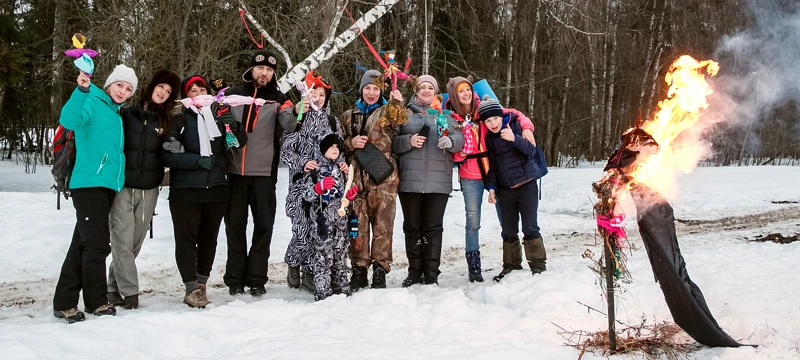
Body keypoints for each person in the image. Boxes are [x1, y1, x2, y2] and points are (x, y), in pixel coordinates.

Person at [53, 65, 138, 323]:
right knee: (97, 245)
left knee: (82, 244)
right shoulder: (92, 101)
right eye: (120, 85)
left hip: (105, 186)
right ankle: (96, 302)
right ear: (110, 84)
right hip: (88, 184)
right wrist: (81, 90)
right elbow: (69, 120)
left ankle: (65, 302)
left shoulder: (115, 113)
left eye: (128, 88)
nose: (123, 91)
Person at [163, 74, 247, 307]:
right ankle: (191, 287)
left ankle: (202, 284)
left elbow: (236, 143)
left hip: (216, 188)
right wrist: (197, 161)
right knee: (187, 240)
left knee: (209, 240)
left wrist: (233, 125)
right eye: (193, 91)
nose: (199, 95)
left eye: (202, 90)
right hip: (186, 190)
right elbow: (168, 154)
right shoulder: (178, 120)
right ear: (185, 96)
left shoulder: (219, 118)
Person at [445, 77, 536, 282]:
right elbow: (452, 147)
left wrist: (527, 127)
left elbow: (515, 114)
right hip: (471, 174)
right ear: (454, 94)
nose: (466, 94)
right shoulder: (450, 117)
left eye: (468, 89)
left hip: (497, 168)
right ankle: (474, 266)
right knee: (473, 220)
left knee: (507, 219)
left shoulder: (485, 110)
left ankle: (514, 262)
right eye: (461, 91)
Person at [223, 50, 296, 297]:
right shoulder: (233, 94)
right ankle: (234, 277)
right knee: (235, 226)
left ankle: (256, 277)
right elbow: (216, 118)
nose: (264, 73)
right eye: (260, 68)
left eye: (269, 70)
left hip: (264, 173)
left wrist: (297, 112)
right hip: (234, 171)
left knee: (263, 226)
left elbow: (288, 122)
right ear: (251, 70)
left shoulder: (279, 98)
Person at [107, 69, 180, 310]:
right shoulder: (126, 114)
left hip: (150, 189)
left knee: (134, 242)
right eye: (161, 86)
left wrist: (174, 147)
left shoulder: (166, 122)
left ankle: (112, 287)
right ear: (151, 87)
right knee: (121, 239)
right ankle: (130, 292)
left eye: (169, 91)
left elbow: (170, 153)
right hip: (123, 186)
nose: (164, 92)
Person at [392, 75, 463, 286]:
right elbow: (392, 143)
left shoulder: (446, 115)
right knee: (412, 226)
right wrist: (408, 141)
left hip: (438, 182)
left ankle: (431, 273)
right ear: (415, 90)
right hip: (410, 181)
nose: (426, 91)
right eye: (422, 87)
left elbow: (460, 139)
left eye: (430, 87)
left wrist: (450, 141)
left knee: (433, 227)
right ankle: (414, 271)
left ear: (435, 92)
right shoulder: (403, 114)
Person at [281, 70, 346, 293]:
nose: (317, 98)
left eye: (321, 94)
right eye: (313, 93)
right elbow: (285, 152)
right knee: (301, 229)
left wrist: (342, 165)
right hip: (301, 185)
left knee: (318, 230)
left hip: (326, 187)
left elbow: (339, 149)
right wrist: (303, 163)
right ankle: (293, 261)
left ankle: (310, 272)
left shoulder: (332, 122)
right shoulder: (298, 118)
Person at [341, 69, 403, 290]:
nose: (371, 92)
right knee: (357, 224)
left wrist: (397, 102)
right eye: (367, 88)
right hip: (356, 178)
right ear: (361, 90)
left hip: (384, 178)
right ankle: (358, 268)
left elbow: (398, 119)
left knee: (383, 224)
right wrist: (351, 142)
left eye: (376, 88)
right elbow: (338, 146)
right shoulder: (348, 115)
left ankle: (380, 268)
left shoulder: (388, 111)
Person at [477, 97, 546, 281]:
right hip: (505, 190)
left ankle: (538, 265)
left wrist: (514, 138)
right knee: (508, 230)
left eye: (495, 119)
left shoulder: (516, 127)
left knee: (530, 227)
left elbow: (531, 151)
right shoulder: (489, 140)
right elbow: (491, 167)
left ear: (502, 116)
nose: (493, 123)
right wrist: (491, 188)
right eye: (488, 121)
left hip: (526, 186)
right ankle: (511, 266)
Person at [300, 132, 358, 300]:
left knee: (340, 255)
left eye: (337, 146)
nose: (335, 149)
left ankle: (341, 288)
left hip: (340, 221)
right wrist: (318, 188)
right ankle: (323, 291)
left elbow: (346, 191)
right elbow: (306, 194)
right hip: (322, 222)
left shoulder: (342, 169)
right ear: (322, 149)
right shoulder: (314, 169)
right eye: (331, 146)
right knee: (323, 257)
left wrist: (350, 194)